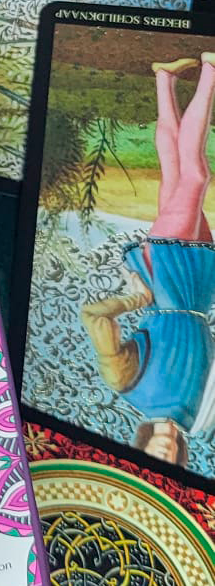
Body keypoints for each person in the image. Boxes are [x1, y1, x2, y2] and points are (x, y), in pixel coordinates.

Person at [81, 55, 215, 466]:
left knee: (195, 177)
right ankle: (164, 77)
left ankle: (211, 71)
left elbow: (93, 316)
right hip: (198, 288)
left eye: (156, 459)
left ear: (139, 449)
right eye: (172, 462)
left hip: (166, 278)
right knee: (173, 172)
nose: (166, 452)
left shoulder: (128, 386)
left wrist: (135, 300)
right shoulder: (202, 418)